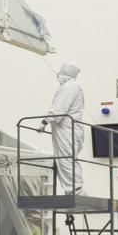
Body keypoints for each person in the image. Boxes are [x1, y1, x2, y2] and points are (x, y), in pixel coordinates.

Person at [41, 61, 84, 193]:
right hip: (70, 129)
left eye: (61, 71)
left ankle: (75, 191)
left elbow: (59, 108)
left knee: (65, 159)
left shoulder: (69, 86)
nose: (58, 74)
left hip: (66, 130)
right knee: (67, 158)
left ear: (65, 72)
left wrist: (44, 122)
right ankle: (74, 190)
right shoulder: (74, 87)